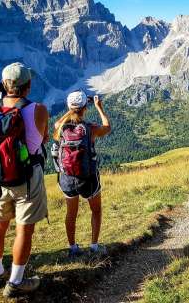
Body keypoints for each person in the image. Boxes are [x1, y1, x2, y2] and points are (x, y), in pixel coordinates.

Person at [0, 62, 49, 297]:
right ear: (28, 86)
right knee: (24, 231)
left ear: (4, 84)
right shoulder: (38, 109)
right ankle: (16, 282)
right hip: (27, 179)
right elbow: (44, 138)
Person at [53, 90, 111, 258]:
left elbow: (57, 122)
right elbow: (107, 127)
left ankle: (73, 248)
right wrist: (99, 107)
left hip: (68, 178)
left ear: (69, 107)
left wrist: (71, 109)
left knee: (71, 214)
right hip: (88, 178)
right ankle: (94, 246)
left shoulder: (60, 127)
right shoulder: (90, 128)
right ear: (86, 107)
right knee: (96, 211)